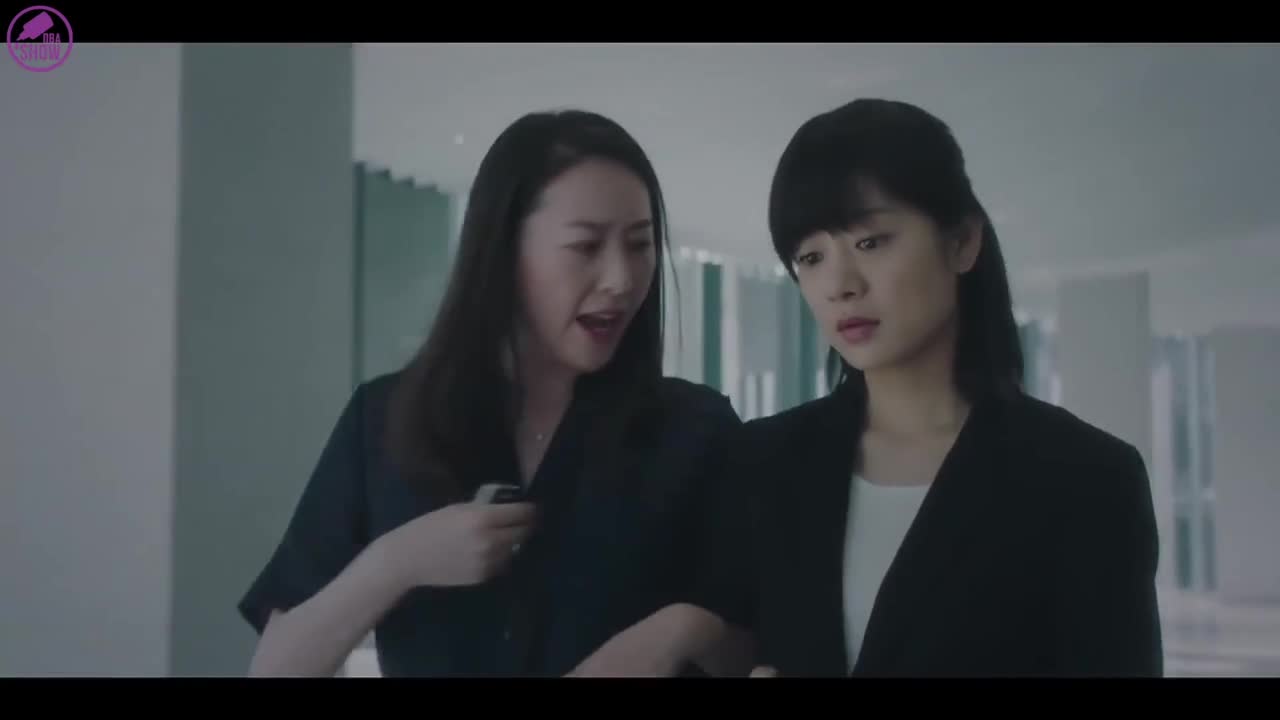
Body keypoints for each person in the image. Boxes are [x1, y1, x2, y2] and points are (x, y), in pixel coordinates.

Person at [574, 98, 1163, 677]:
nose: (840, 284)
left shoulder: (1086, 479)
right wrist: (688, 629)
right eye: (811, 257)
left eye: (870, 242)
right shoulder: (762, 463)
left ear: (962, 241)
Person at [236, 109, 747, 677]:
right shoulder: (383, 422)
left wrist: (681, 629)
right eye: (586, 247)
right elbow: (275, 669)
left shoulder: (696, 430)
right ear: (503, 250)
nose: (621, 279)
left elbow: (762, 643)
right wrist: (396, 563)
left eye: (639, 245)